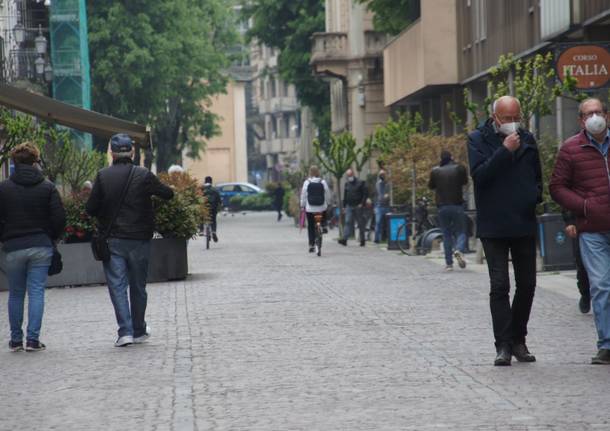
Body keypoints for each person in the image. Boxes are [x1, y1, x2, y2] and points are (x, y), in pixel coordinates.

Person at [468, 96, 542, 366]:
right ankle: (503, 345)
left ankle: (518, 339)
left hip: (522, 221)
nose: (512, 124)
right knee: (500, 285)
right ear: (495, 117)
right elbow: (480, 175)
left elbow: (537, 175)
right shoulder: (478, 139)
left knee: (528, 285)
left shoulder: (528, 139)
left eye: (516, 118)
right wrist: (505, 150)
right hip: (494, 224)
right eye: (507, 118)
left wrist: (534, 197)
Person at [86, 134, 174, 347]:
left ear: (112, 153)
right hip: (139, 239)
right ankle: (138, 329)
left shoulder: (103, 176)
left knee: (117, 286)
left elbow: (90, 208)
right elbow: (167, 194)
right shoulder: (143, 174)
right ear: (132, 153)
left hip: (113, 239)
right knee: (138, 286)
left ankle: (124, 332)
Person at [550, 97, 610, 365]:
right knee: (601, 285)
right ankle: (607, 344)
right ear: (581, 120)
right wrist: (582, 207)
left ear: (607, 115)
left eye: (598, 112)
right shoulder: (571, 149)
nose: (594, 117)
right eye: (589, 113)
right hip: (593, 230)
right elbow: (557, 187)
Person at [0, 142, 66, 352]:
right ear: (35, 161)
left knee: (16, 293)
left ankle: (16, 340)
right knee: (36, 291)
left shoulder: (4, 188)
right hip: (40, 245)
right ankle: (33, 340)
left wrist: (4, 238)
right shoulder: (47, 187)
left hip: (13, 246)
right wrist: (51, 239)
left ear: (15, 162)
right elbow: (59, 218)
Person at [428, 150, 469, 271]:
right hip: (457, 205)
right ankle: (459, 249)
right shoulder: (459, 168)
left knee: (446, 234)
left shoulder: (436, 171)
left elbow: (431, 186)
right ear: (451, 158)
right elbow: (465, 181)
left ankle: (449, 264)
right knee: (461, 230)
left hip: (442, 206)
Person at [562, 210, 591, 314]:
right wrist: (569, 222)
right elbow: (568, 199)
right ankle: (585, 293)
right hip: (581, 224)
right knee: (582, 264)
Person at [300, 165, 331, 253]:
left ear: (310, 172)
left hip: (310, 208)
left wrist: (302, 205)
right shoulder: (323, 182)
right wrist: (328, 202)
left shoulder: (307, 182)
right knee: (324, 212)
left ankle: (311, 244)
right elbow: (327, 193)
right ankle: (324, 225)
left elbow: (303, 195)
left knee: (310, 226)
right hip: (321, 207)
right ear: (318, 172)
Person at [338, 168, 368, 247]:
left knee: (360, 223)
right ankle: (344, 239)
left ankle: (362, 240)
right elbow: (345, 195)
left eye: (350, 175)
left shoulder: (360, 183)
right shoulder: (347, 184)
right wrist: (344, 206)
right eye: (348, 175)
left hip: (358, 205)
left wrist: (362, 203)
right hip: (349, 206)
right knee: (348, 222)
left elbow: (365, 194)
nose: (349, 176)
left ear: (353, 174)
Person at [202, 176, 221, 242]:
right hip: (213, 207)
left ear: (205, 181)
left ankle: (201, 230)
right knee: (213, 220)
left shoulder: (201, 189)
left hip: (204, 207)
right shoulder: (215, 189)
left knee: (201, 217)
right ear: (211, 182)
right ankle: (213, 232)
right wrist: (220, 205)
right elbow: (219, 199)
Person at [374, 170, 390, 243]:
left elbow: (389, 193)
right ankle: (377, 239)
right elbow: (380, 195)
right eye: (381, 174)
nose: (382, 176)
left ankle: (387, 238)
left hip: (386, 205)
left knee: (387, 223)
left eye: (383, 174)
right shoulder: (378, 184)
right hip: (379, 206)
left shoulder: (388, 184)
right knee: (378, 222)